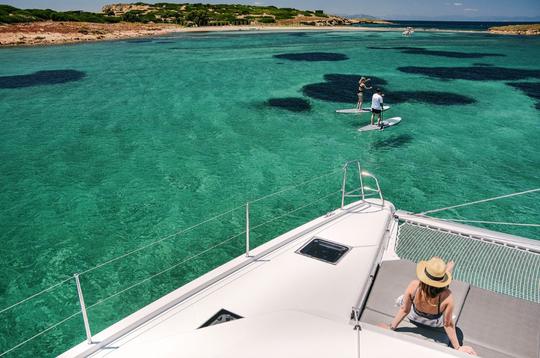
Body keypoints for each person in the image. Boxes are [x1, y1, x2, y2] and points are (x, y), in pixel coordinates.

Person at [379, 257, 477, 355]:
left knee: (404, 299)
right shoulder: (448, 297)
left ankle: (443, 273)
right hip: (434, 323)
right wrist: (458, 347)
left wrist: (391, 327)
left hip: (414, 317)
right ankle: (445, 273)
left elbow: (405, 309)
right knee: (454, 324)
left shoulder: (414, 285)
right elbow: (447, 324)